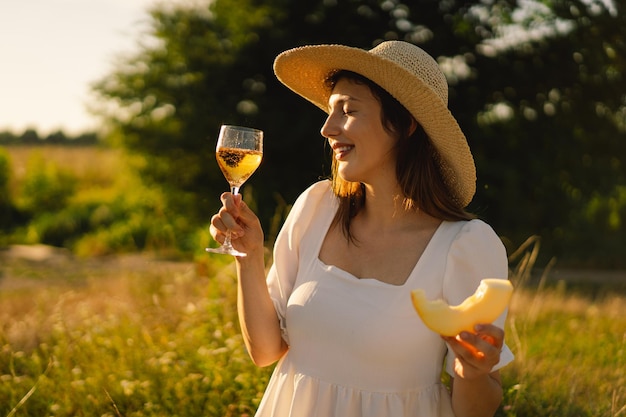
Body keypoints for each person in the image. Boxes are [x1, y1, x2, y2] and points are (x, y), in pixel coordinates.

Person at [209, 40, 514, 417]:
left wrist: (472, 372)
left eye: (348, 110)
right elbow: (265, 351)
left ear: (405, 125)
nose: (326, 128)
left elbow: (476, 411)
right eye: (330, 110)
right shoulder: (317, 208)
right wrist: (248, 256)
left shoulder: (464, 244)